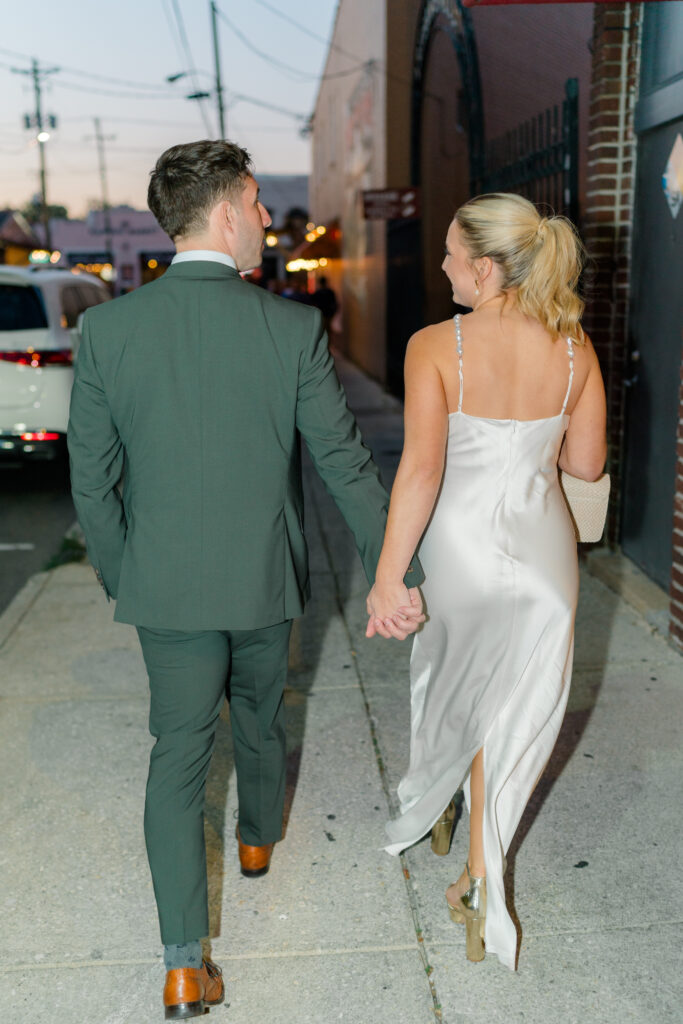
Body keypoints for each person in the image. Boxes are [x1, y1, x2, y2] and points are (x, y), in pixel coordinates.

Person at [67, 139, 424, 1021]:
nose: (269, 218)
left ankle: (184, 964)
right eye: (259, 203)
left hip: (167, 594)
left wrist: (129, 577)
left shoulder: (108, 330)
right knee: (261, 720)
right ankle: (258, 840)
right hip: (263, 585)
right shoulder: (289, 327)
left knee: (175, 760)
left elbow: (92, 481)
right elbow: (345, 466)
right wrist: (398, 570)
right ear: (225, 212)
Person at [365, 193, 606, 969]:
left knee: (455, 687)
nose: (440, 268)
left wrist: (386, 576)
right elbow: (586, 465)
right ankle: (476, 870)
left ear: (485, 267)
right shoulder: (575, 348)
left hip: (459, 550)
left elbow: (422, 471)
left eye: (448, 255)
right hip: (542, 556)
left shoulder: (437, 345)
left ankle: (463, 844)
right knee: (516, 707)